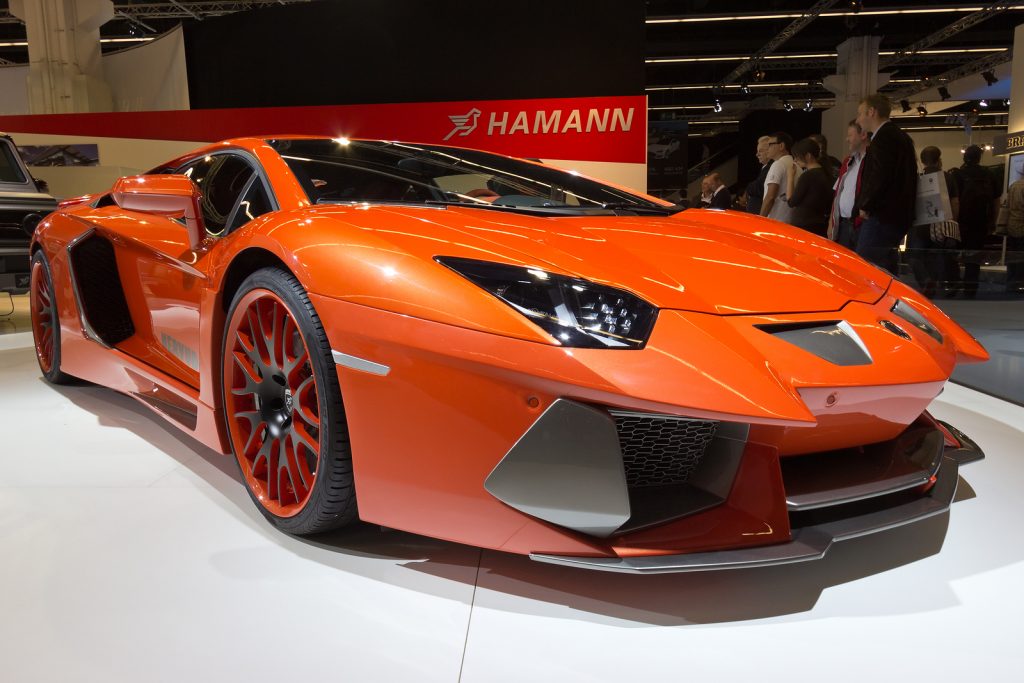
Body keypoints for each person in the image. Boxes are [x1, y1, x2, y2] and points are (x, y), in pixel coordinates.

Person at [854, 93, 918, 272]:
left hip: (883, 215)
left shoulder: (884, 138)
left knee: (868, 266)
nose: (858, 119)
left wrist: (866, 204)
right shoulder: (899, 136)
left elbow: (880, 176)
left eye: (860, 113)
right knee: (886, 266)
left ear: (871, 112)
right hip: (895, 215)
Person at [909, 146, 960, 297]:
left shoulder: (918, 177)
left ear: (923, 161)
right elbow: (955, 202)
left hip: (921, 225)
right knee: (941, 255)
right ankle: (946, 286)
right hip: (942, 224)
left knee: (915, 255)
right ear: (939, 160)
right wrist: (953, 220)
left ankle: (926, 281)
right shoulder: (948, 177)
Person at [955, 144, 1001, 297]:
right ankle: (970, 289)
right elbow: (996, 201)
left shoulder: (958, 174)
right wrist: (992, 222)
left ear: (964, 157)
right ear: (979, 157)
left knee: (953, 254)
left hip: (961, 221)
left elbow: (954, 201)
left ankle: (952, 286)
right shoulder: (989, 175)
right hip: (981, 221)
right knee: (974, 257)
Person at [827, 119, 869, 249]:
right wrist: (831, 223)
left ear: (863, 135)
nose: (847, 139)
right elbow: (838, 194)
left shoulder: (872, 161)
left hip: (863, 224)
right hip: (844, 224)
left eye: (850, 135)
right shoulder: (848, 162)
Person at [785, 138, 833, 236]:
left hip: (804, 225)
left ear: (808, 156)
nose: (795, 160)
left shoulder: (808, 175)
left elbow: (791, 201)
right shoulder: (826, 173)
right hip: (819, 223)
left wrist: (790, 177)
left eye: (797, 157)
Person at [760, 131, 794, 223]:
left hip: (776, 222)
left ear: (781, 146)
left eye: (770, 144)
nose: (767, 148)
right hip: (791, 221)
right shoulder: (796, 165)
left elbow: (770, 197)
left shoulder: (778, 164)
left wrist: (760, 219)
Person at [1005, 173, 1024, 294]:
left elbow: (1007, 206)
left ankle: (1011, 284)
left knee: (1013, 257)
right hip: (1023, 225)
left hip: (1012, 225)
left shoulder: (1013, 186)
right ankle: (1020, 284)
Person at [746, 136, 773, 215]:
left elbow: (759, 187)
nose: (757, 154)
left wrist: (749, 187)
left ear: (769, 151)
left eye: (760, 151)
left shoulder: (771, 166)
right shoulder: (765, 167)